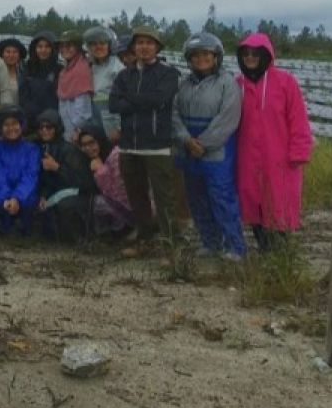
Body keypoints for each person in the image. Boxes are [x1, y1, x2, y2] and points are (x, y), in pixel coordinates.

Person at [235, 32, 314, 252]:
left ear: (265, 55)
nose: (250, 58)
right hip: (247, 158)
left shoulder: (285, 82)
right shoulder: (237, 84)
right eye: (246, 54)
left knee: (278, 205)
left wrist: (299, 152)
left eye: (255, 54)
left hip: (278, 159)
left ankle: (279, 252)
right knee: (252, 203)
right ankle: (264, 249)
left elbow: (298, 120)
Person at [108, 25, 181, 257]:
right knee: (136, 196)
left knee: (164, 198)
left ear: (157, 47)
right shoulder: (124, 75)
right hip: (129, 145)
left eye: (149, 43)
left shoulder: (169, 73)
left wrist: (130, 99)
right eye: (139, 43)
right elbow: (113, 104)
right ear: (133, 47)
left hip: (158, 145)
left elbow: (160, 100)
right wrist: (141, 100)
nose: (144, 47)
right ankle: (145, 240)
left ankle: (171, 245)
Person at [173, 33, 246, 259]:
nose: (200, 59)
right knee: (196, 197)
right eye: (195, 55)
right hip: (188, 147)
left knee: (222, 197)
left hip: (217, 150)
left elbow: (228, 119)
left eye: (206, 54)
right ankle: (210, 241)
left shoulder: (228, 84)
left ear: (216, 57)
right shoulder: (183, 84)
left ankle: (235, 246)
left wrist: (203, 144)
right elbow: (173, 114)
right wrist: (185, 139)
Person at [34, 109, 97, 242]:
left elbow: (80, 181)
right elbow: (47, 180)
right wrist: (43, 196)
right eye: (41, 127)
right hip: (54, 194)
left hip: (79, 196)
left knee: (65, 206)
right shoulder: (42, 148)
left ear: (57, 128)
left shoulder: (69, 150)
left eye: (49, 127)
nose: (44, 131)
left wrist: (56, 167)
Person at [0, 105, 39, 236]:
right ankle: (5, 225)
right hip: (2, 195)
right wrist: (7, 198)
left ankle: (24, 227)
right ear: (0, 128)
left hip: (25, 195)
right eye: (6, 125)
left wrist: (17, 197)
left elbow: (30, 176)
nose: (11, 129)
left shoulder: (32, 149)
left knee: (28, 202)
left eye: (15, 124)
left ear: (21, 125)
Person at [76, 126, 135, 235]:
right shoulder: (90, 160)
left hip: (131, 209)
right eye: (84, 145)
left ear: (100, 140)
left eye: (92, 143)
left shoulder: (115, 156)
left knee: (97, 202)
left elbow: (118, 193)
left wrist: (100, 171)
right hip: (118, 207)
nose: (88, 148)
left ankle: (124, 230)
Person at [56, 30, 94, 142]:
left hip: (78, 135)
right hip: (66, 131)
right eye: (62, 46)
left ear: (78, 47)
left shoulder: (82, 69)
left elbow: (84, 111)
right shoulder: (65, 71)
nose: (65, 49)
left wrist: (76, 131)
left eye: (69, 46)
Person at [84, 26, 121, 141]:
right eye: (93, 44)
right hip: (94, 128)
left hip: (112, 131)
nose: (98, 47)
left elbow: (126, 102)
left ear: (110, 45)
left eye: (102, 43)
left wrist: (119, 128)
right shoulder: (89, 67)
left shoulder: (117, 69)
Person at [18, 31, 59, 132]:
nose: (43, 50)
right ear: (34, 48)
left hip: (52, 122)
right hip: (30, 122)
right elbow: (23, 95)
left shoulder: (59, 70)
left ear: (53, 49)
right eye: (40, 47)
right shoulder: (27, 68)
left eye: (47, 47)